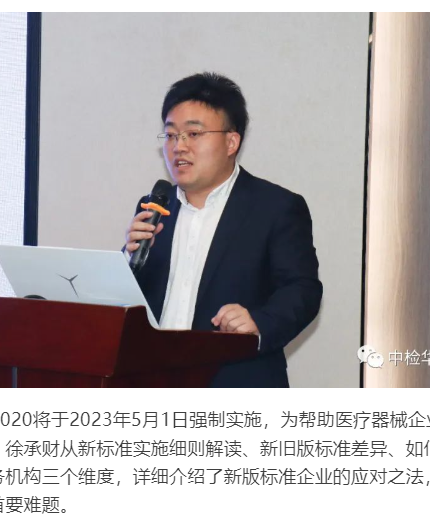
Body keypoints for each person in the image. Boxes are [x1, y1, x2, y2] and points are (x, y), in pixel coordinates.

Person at [125, 72, 322, 387]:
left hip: (236, 383)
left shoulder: (275, 207)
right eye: (171, 135)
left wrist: (259, 322)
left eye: (193, 133)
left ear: (231, 142)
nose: (179, 147)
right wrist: (128, 260)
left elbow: (303, 289)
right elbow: (136, 305)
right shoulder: (153, 209)